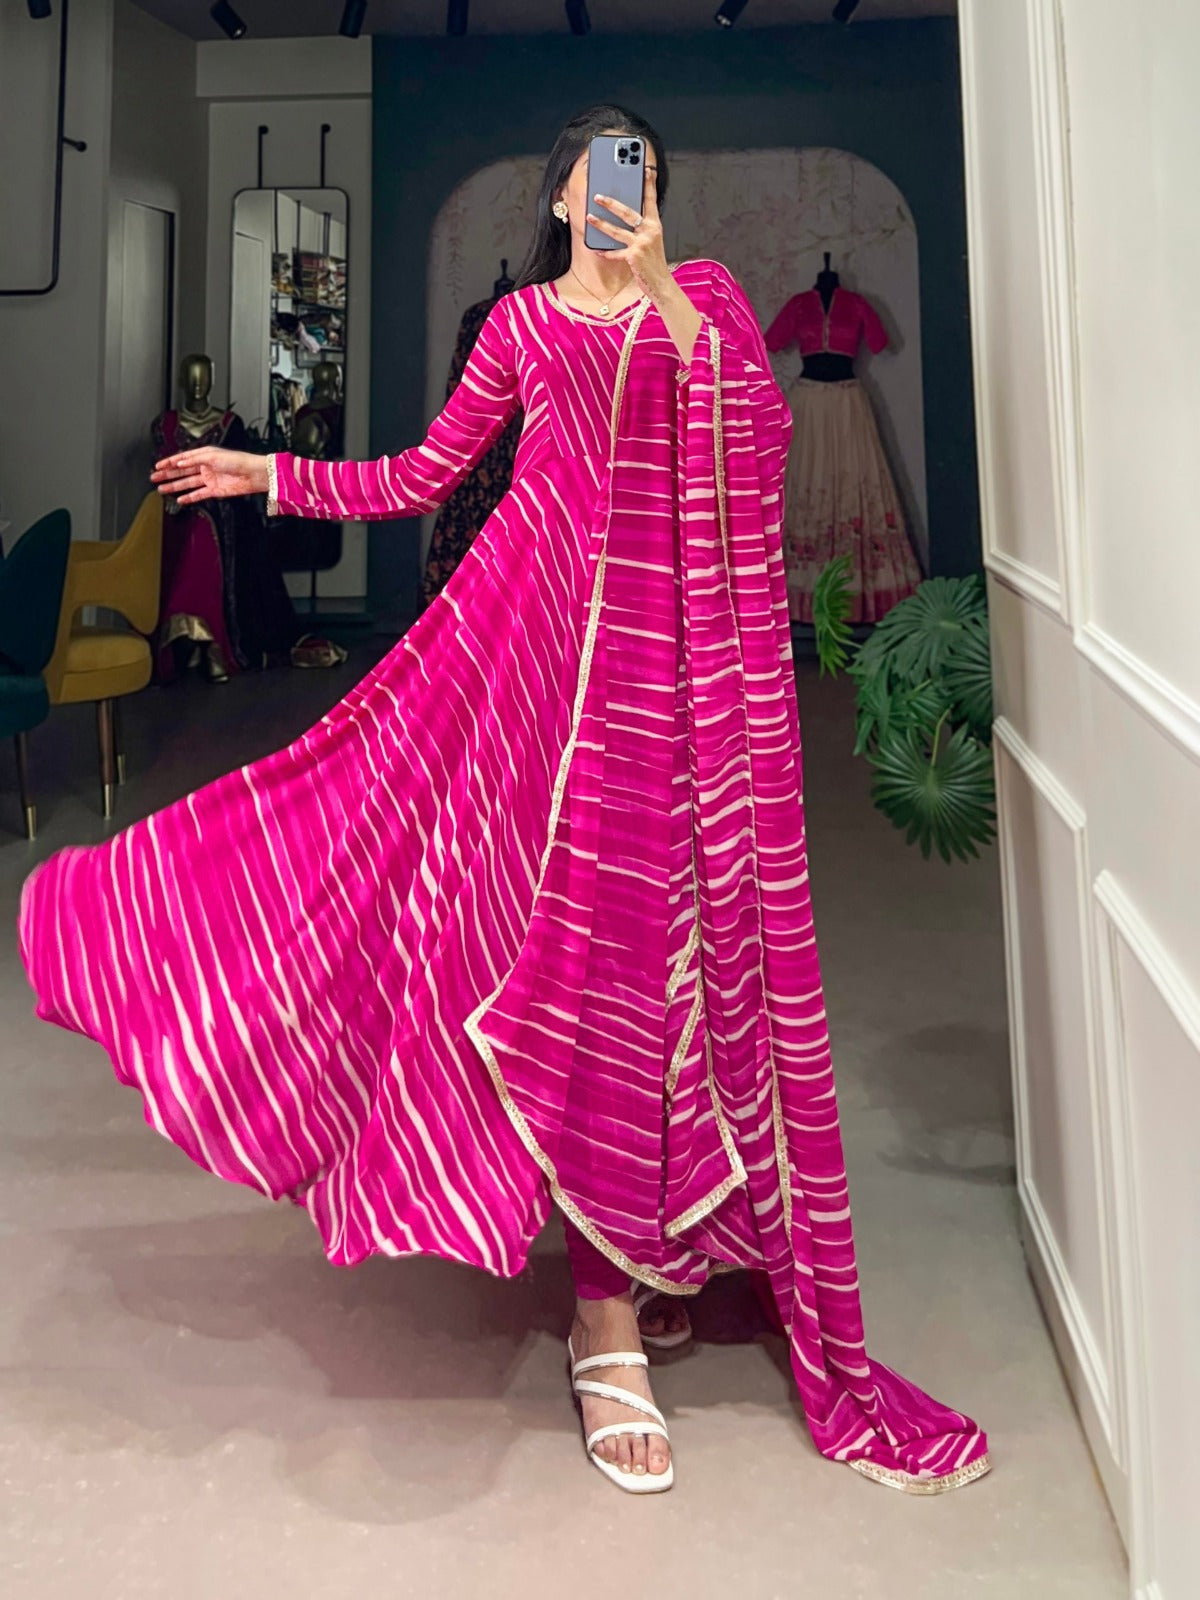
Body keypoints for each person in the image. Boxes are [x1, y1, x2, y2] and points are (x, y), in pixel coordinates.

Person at [17, 106, 988, 1497]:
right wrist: (266, 472)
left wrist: (662, 290)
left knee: (675, 968)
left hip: (674, 689)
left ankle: (650, 1245)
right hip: (530, 676)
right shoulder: (525, 328)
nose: (623, 195)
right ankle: (603, 1317)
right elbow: (426, 474)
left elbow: (759, 444)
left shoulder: (704, 307)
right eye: (602, 177)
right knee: (557, 965)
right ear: (560, 200)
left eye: (644, 175)